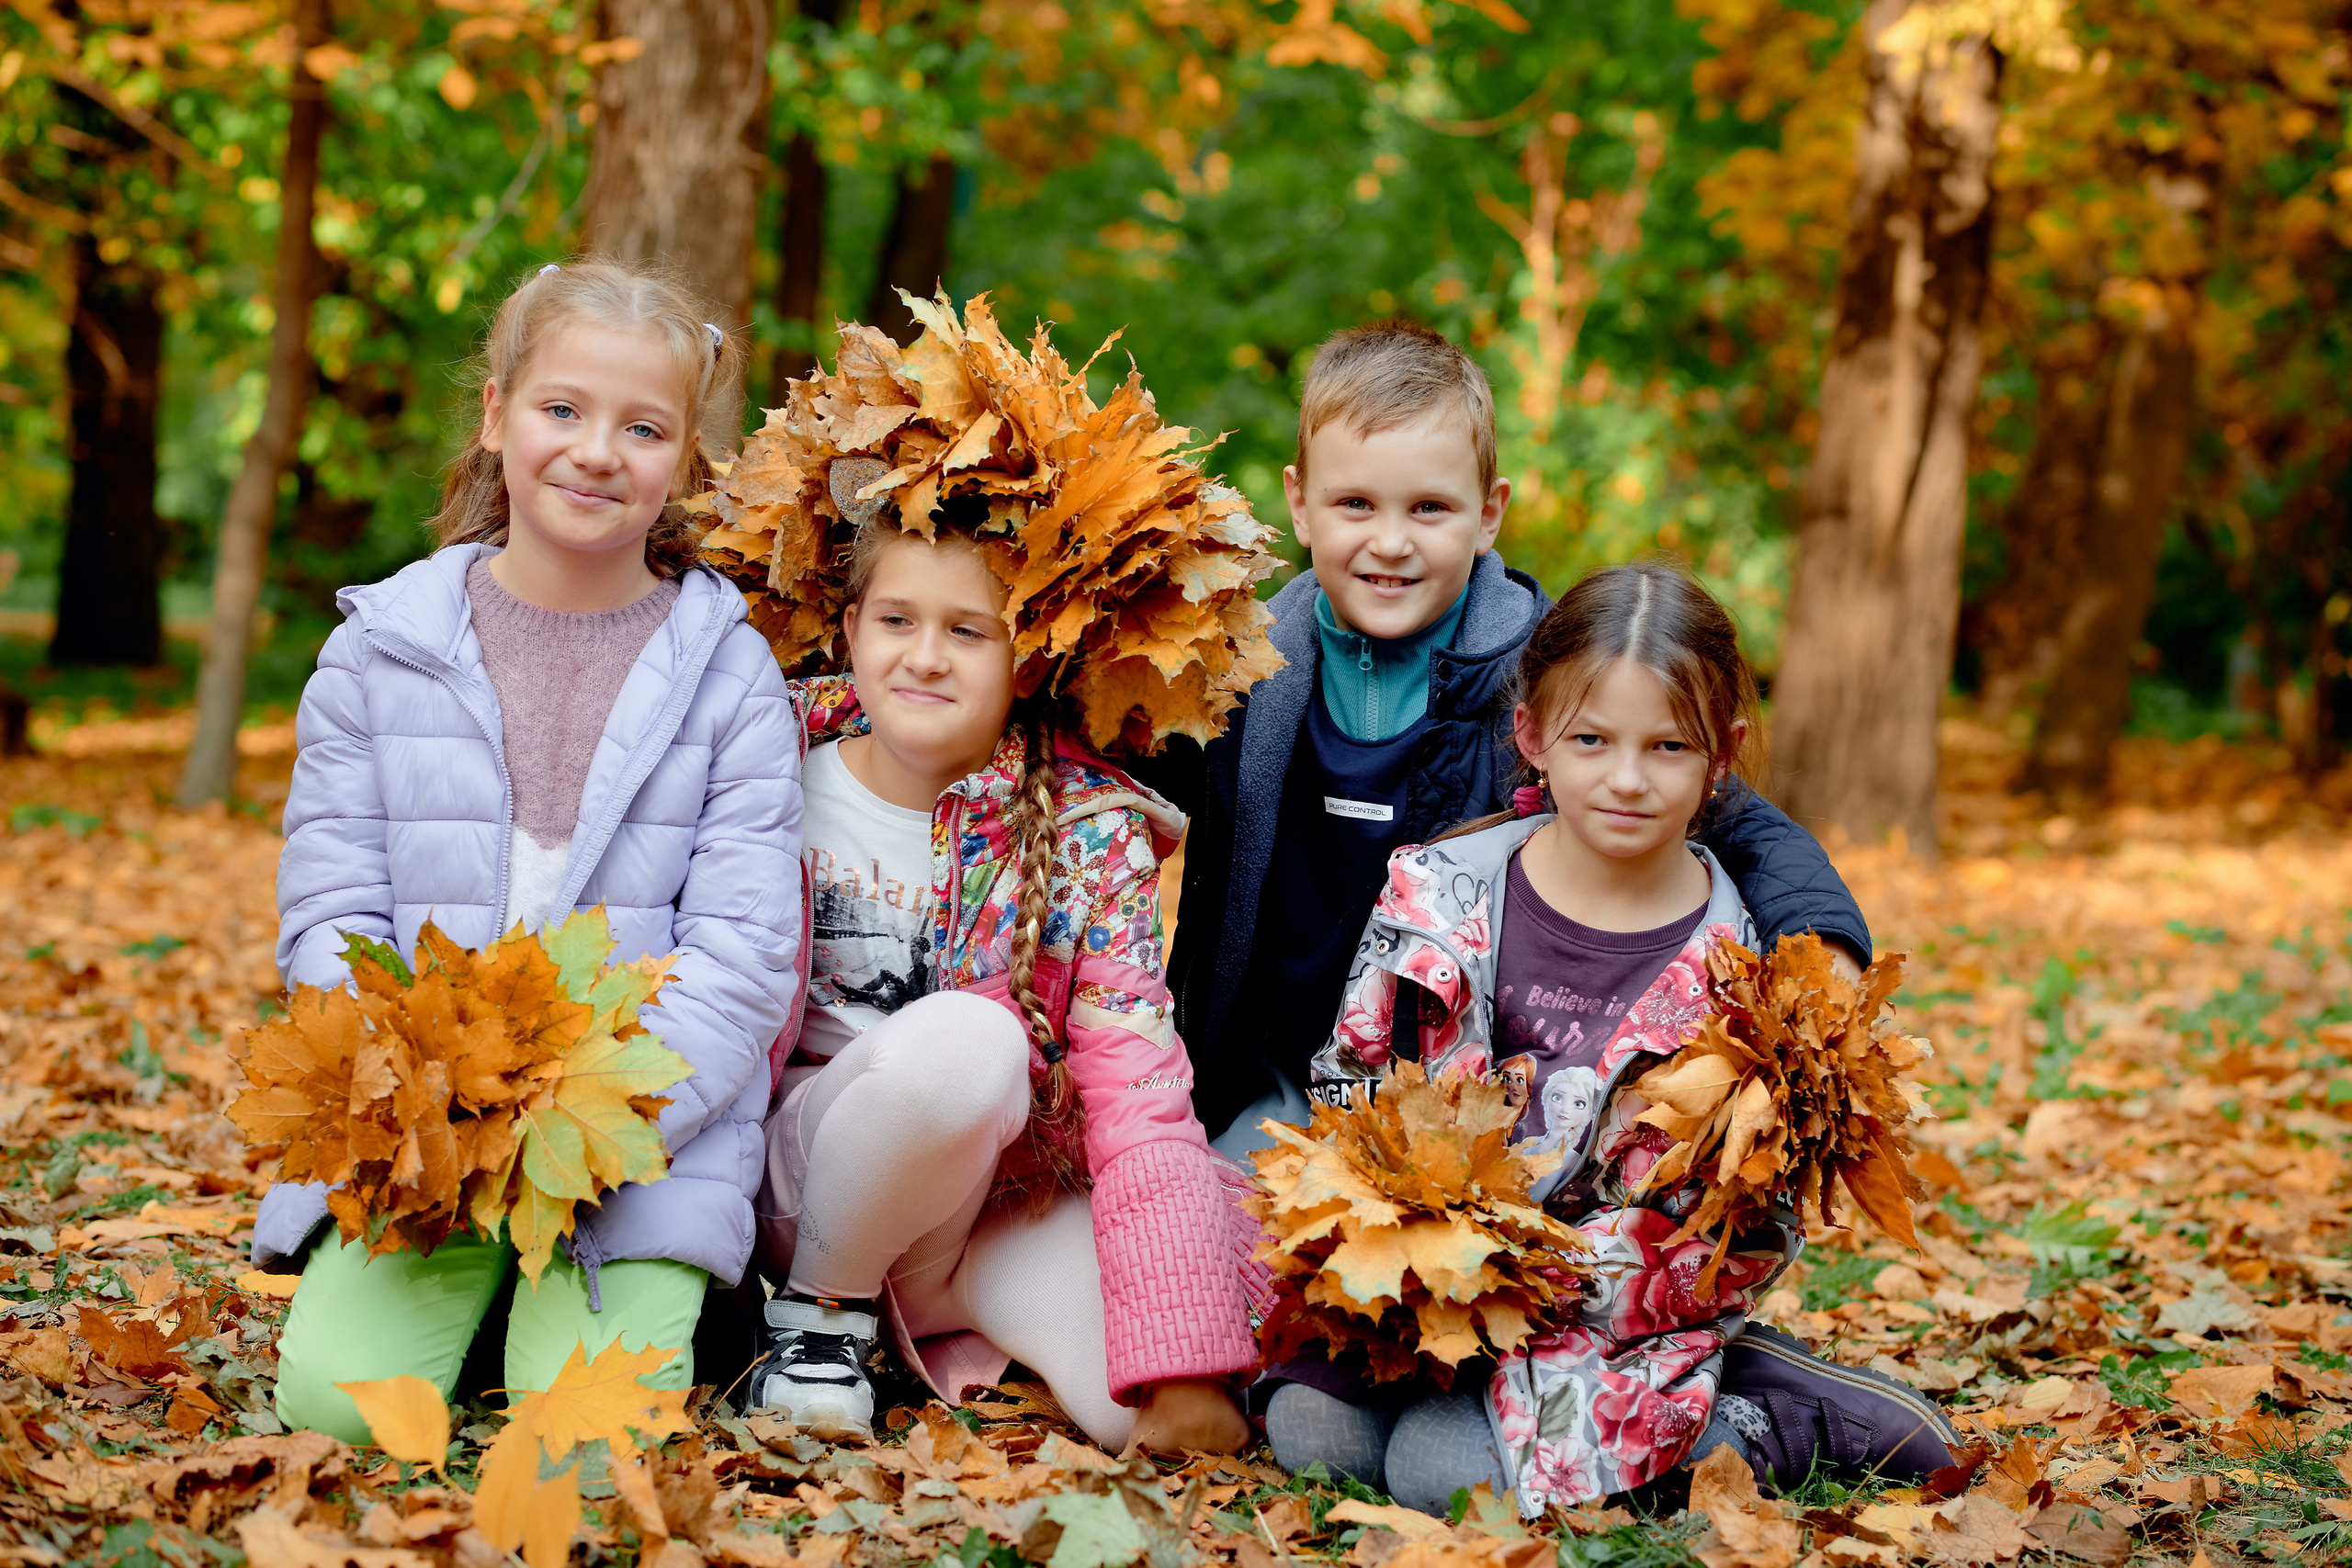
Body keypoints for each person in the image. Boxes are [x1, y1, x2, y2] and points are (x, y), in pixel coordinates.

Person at [251, 259, 803, 1444]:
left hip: (629, 1153)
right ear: (498, 416)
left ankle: (588, 1320)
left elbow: (744, 956)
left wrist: (588, 1126)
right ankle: (468, 1302)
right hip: (423, 1141)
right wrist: (431, 1107)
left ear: (683, 462)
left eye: (643, 427)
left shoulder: (731, 673)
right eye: (562, 410)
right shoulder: (378, 651)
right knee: (334, 1417)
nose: (597, 451)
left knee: (588, 1446)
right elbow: (330, 913)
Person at [1271, 564, 1955, 1513]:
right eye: (1590, 740)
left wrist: (1534, 1278)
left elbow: (1746, 1224)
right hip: (1426, 1283)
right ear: (1532, 736)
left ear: (1722, 757)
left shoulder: (1744, 976)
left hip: (1610, 1311)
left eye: (1668, 747)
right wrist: (1389, 1227)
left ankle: (1771, 1420)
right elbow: (1348, 1078)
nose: (1626, 779)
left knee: (1436, 1477)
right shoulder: (1437, 895)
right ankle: (1699, 1388)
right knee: (1311, 1437)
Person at [1141, 322, 1873, 1164]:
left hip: (1470, 1103)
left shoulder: (1546, 672)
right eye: (1355, 504)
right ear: (1300, 504)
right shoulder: (1232, 666)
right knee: (1224, 1256)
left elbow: (1732, 813)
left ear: (1488, 514)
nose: (1390, 541)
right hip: (1271, 1078)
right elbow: (1111, 773)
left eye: (1429, 507)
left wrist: (1822, 949)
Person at [742, 523, 1258, 1455]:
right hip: (801, 1180)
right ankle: (818, 1324)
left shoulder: (1091, 830)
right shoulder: (763, 768)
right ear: (851, 628)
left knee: (1153, 1410)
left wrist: (1181, 1363)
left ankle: (909, 1323)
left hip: (986, 1207)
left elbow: (1137, 1089)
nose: (926, 657)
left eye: (969, 632)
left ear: (1026, 662)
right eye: (897, 619)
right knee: (970, 1041)